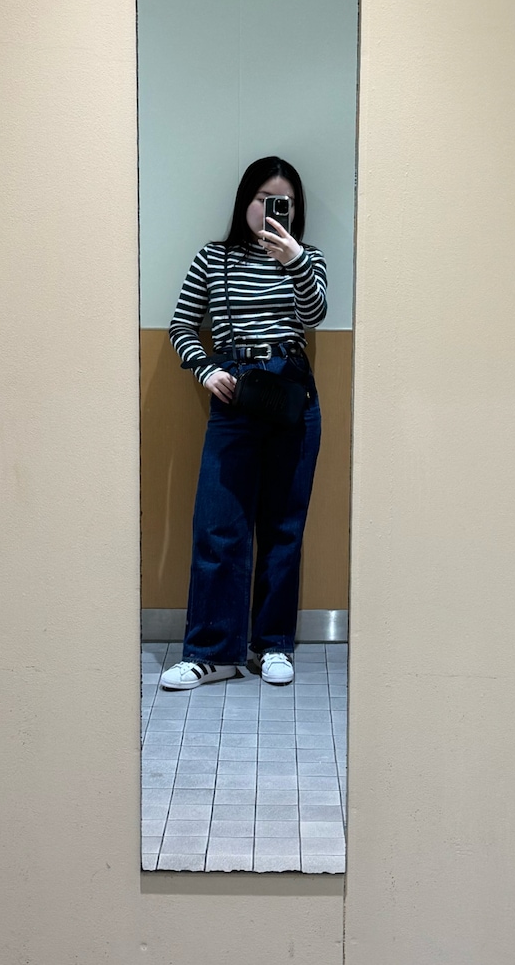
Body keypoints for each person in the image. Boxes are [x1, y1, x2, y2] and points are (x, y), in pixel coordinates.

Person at [159, 156, 327, 690]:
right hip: (234, 391)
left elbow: (314, 316)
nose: (272, 209)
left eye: (285, 202)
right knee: (219, 524)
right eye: (263, 198)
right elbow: (182, 324)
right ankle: (213, 652)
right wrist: (206, 370)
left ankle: (271, 645)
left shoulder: (307, 259)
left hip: (291, 392)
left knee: (283, 527)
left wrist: (295, 260)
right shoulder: (214, 258)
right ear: (244, 201)